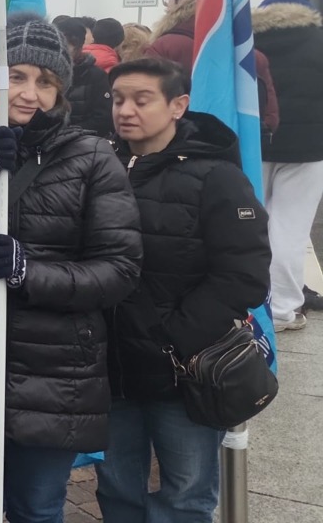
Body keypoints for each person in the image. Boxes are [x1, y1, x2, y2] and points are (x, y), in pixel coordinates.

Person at [0, 13, 142, 523]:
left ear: (60, 90)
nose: (29, 92)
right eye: (15, 76)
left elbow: (119, 268)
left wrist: (30, 274)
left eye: (45, 81)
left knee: (36, 508)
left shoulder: (92, 159)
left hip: (58, 373)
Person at [96, 57, 270, 523]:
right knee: (116, 487)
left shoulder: (217, 177)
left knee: (186, 495)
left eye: (140, 99)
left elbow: (245, 274)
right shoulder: (100, 165)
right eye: (116, 99)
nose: (125, 110)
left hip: (183, 373)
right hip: (110, 367)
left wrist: (174, 339)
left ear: (179, 105)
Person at [148, 0, 282, 175]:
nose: (167, 6)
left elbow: (146, 102)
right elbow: (269, 116)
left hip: (171, 158)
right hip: (235, 158)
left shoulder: (165, 46)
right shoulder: (251, 55)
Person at [253, 0, 323, 328]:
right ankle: (281, 310)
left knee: (251, 222)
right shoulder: (318, 38)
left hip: (257, 140)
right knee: (290, 228)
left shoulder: (248, 37)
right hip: (310, 147)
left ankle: (248, 300)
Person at [56, 17, 113, 137]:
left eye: (67, 46)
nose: (61, 52)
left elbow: (103, 118)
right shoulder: (46, 74)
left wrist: (68, 133)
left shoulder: (96, 76)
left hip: (82, 143)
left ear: (79, 46)